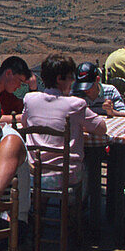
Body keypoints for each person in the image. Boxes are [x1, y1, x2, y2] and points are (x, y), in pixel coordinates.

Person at [20, 54, 106, 189]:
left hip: (33, 171)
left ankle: (40, 206)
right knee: (89, 170)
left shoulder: (30, 99)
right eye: (72, 77)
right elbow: (101, 128)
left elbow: (25, 124)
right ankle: (82, 207)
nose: (73, 82)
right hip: (64, 174)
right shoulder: (75, 105)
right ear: (60, 79)